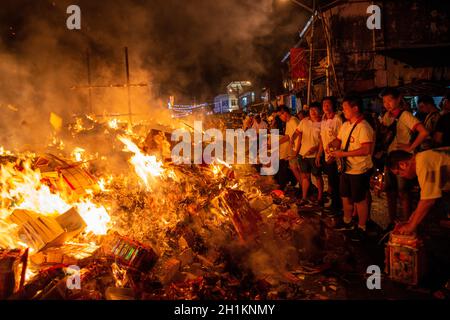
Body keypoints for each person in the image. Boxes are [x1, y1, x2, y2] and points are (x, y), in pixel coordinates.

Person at [380, 88, 429, 228]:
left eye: (390, 100)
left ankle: (407, 221)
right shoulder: (387, 117)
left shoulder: (406, 115)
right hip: (390, 158)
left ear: (398, 99)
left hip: (403, 160)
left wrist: (410, 147)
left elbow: (423, 132)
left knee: (403, 192)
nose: (387, 104)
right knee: (390, 191)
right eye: (384, 101)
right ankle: (392, 221)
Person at [329, 95, 375, 242]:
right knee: (345, 195)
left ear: (355, 108)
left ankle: (362, 227)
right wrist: (332, 145)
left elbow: (366, 150)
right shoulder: (346, 125)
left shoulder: (364, 127)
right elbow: (339, 140)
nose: (343, 111)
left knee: (360, 199)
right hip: (345, 169)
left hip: (358, 169)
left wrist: (343, 153)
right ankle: (347, 220)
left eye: (345, 108)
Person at [387, 148, 450, 234]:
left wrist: (411, 226)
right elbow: (426, 197)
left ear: (403, 164)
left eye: (398, 173)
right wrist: (412, 218)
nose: (401, 176)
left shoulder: (422, 163)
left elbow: (428, 200)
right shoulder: (422, 157)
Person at [291, 103, 324, 207]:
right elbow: (297, 132)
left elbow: (323, 141)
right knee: (305, 176)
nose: (313, 112)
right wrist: (292, 138)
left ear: (320, 111)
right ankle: (304, 197)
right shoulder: (304, 121)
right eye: (311, 110)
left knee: (318, 176)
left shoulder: (323, 124)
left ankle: (320, 198)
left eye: (315, 110)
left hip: (315, 155)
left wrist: (316, 150)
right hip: (303, 154)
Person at [317, 96, 343, 216]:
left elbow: (341, 138)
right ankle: (335, 204)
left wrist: (335, 155)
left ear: (333, 105)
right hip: (326, 155)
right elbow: (322, 138)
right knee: (331, 182)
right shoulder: (323, 120)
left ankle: (337, 207)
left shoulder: (338, 119)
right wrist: (320, 154)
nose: (326, 107)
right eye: (324, 105)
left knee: (336, 182)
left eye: (328, 104)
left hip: (336, 156)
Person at [279, 105, 302, 187]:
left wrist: (296, 151)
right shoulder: (289, 122)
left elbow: (300, 135)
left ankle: (303, 187)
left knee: (296, 168)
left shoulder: (293, 121)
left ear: (285, 113)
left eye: (280, 115)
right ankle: (302, 186)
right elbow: (287, 136)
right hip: (294, 149)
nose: (280, 117)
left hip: (298, 149)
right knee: (294, 168)